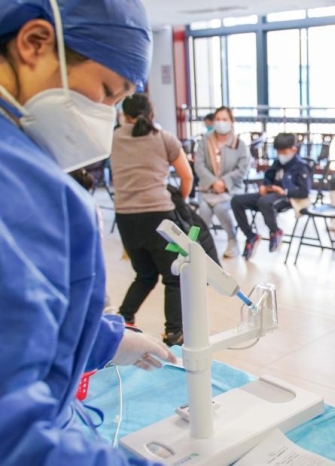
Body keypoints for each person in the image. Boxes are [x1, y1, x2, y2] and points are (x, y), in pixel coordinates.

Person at [0, 1, 176, 464]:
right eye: (104, 92)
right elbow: (15, 434)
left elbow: (27, 317)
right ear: (34, 44)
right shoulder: (21, 186)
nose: (106, 116)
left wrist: (105, 340)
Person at [111, 93, 194, 347]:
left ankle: (123, 321)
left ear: (124, 116)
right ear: (152, 114)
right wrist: (179, 199)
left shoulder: (112, 138)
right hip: (160, 218)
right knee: (174, 276)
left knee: (145, 274)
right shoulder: (164, 138)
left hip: (125, 217)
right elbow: (187, 176)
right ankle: (174, 333)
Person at [232, 133, 311, 260]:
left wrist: (284, 191)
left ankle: (275, 231)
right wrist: (264, 186)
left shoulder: (301, 166)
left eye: (283, 151)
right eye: (278, 151)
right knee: (236, 201)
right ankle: (250, 235)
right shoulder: (277, 163)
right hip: (269, 195)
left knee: (264, 202)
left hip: (286, 197)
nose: (281, 154)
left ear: (293, 149)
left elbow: (304, 191)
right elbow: (268, 177)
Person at [195, 106, 250, 258]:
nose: (220, 122)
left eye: (224, 119)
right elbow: (199, 164)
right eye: (218, 119)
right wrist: (213, 182)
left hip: (230, 189)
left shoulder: (240, 144)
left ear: (232, 122)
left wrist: (224, 182)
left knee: (221, 208)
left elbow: (243, 169)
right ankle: (198, 246)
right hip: (207, 188)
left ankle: (232, 240)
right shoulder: (205, 141)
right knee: (203, 212)